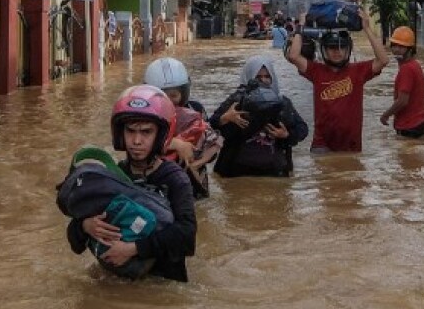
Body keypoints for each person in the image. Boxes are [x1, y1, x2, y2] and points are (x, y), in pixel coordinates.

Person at [66, 85, 197, 282]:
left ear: (162, 135)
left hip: (162, 286)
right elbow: (75, 244)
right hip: (115, 282)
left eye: (146, 132)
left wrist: (134, 249)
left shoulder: (175, 179)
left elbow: (187, 237)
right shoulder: (112, 176)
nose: (136, 140)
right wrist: (85, 226)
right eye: (130, 131)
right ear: (120, 133)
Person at [286, 7, 389, 152]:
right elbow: (293, 56)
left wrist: (367, 28)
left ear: (348, 50)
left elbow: (383, 60)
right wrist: (300, 27)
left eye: (342, 48)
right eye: (332, 48)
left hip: (351, 144)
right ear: (324, 50)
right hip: (322, 143)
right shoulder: (316, 70)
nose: (337, 52)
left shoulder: (358, 71)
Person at [209, 55, 308, 177]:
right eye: (258, 77)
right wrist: (224, 118)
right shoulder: (236, 100)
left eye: (267, 77)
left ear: (272, 78)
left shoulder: (282, 102)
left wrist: (285, 135)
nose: (263, 80)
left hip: (274, 172)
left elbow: (302, 129)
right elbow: (210, 126)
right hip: (237, 173)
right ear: (249, 78)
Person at [144, 57, 221, 198]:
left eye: (173, 95)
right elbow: (137, 146)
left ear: (184, 93)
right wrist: (176, 144)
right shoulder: (145, 115)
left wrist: (196, 164)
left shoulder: (195, 110)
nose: (169, 101)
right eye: (162, 95)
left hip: (194, 182)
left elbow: (210, 144)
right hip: (159, 184)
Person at [379, 26, 424, 138]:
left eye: (401, 46)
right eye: (394, 46)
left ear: (410, 49)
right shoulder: (415, 65)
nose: (396, 49)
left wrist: (385, 115)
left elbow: (402, 101)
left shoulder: (406, 69)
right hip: (421, 122)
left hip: (410, 128)